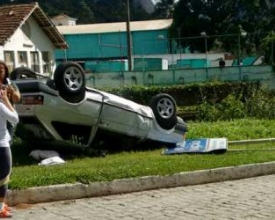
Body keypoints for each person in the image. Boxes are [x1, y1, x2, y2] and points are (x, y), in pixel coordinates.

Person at [0, 86, 19, 218]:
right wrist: (6, 100)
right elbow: (15, 119)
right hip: (1, 145)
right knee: (4, 175)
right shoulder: (1, 106)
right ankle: (0, 208)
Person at [0, 61, 20, 140]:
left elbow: (17, 99)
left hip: (9, 119)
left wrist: (12, 92)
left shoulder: (10, 84)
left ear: (5, 72)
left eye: (0, 71)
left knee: (7, 142)